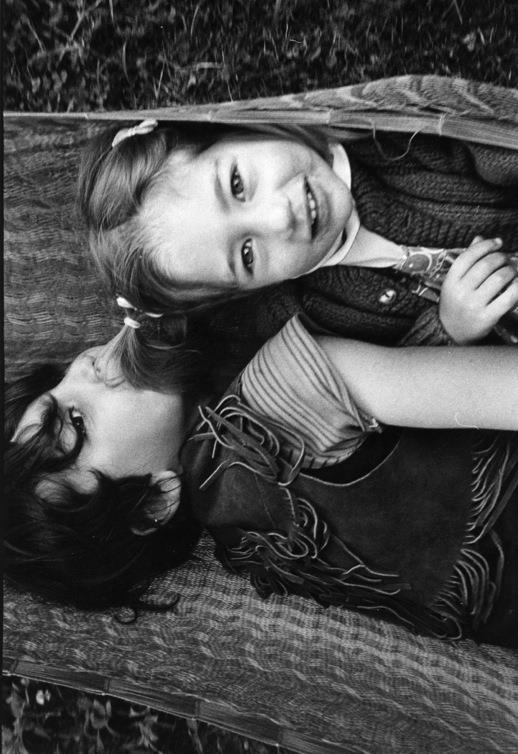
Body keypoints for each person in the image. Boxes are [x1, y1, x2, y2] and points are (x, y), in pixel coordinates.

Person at [5, 308, 518, 646]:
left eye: (58, 383)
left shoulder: (245, 546)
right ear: (153, 504)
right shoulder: (279, 396)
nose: (85, 366)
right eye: (76, 422)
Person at [78, 119, 518, 385]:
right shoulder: (316, 315)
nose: (277, 219)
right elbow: (406, 371)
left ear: (233, 132)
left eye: (237, 184)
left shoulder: (390, 145)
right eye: (247, 256)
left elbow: (495, 148)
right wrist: (449, 329)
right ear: (247, 291)